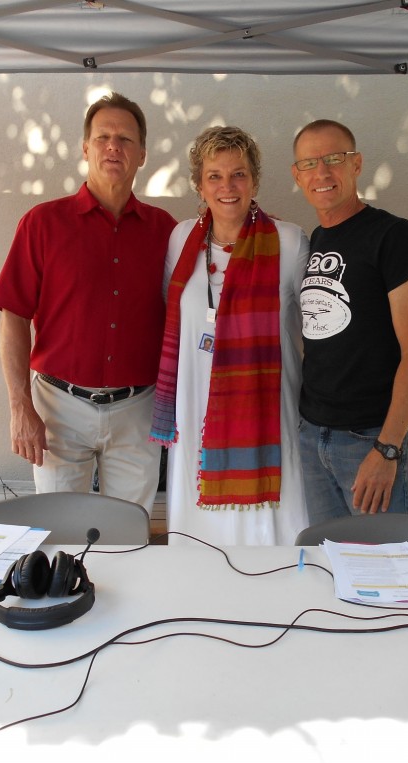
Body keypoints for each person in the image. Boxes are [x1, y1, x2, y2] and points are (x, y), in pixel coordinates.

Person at [0, 92, 177, 515]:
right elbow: (13, 316)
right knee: (60, 533)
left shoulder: (165, 231)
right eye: (104, 137)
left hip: (137, 411)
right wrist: (20, 406)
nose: (114, 147)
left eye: (126, 139)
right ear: (85, 148)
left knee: (130, 533)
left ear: (142, 154)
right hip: (58, 409)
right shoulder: (42, 224)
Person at [150, 126, 309, 545]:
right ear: (199, 185)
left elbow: (311, 333)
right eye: (214, 175)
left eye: (238, 174)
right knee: (198, 534)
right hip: (193, 407)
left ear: (254, 181)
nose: (227, 186)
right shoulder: (181, 239)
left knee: (270, 532)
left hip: (265, 411)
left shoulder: (289, 243)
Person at [291, 119, 408, 524]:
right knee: (329, 562)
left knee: (390, 568)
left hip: (367, 439)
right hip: (311, 434)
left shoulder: (393, 236)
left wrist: (388, 448)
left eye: (334, 159)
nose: (322, 172)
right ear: (297, 175)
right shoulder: (315, 239)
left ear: (356, 164)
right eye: (310, 163)